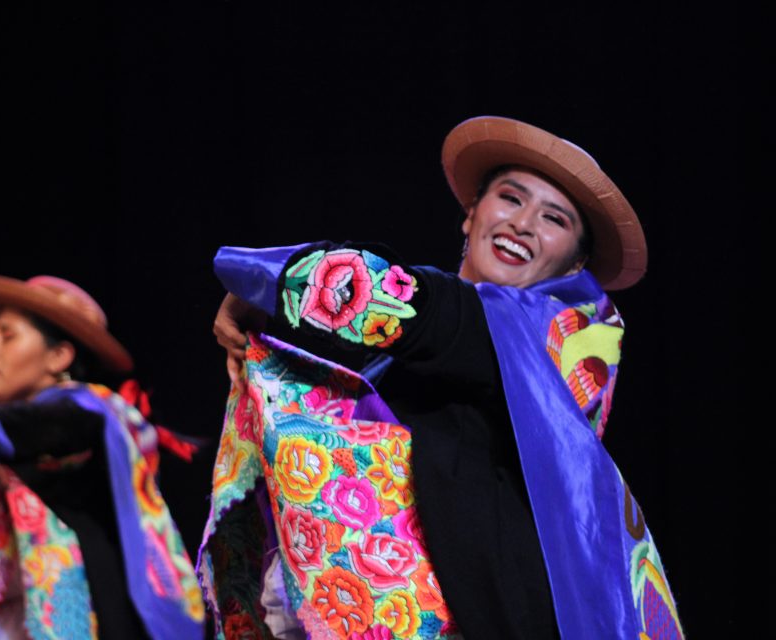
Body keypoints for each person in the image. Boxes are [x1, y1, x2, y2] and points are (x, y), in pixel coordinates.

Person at [202, 116, 682, 639]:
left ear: (574, 265)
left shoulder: (546, 340)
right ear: (470, 215)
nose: (523, 223)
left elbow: (394, 300)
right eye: (511, 197)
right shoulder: (412, 351)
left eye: (554, 218)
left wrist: (260, 283)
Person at [0, 276, 204, 639]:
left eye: (7, 336)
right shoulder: (27, 447)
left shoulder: (87, 411)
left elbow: (55, 423)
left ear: (59, 355)